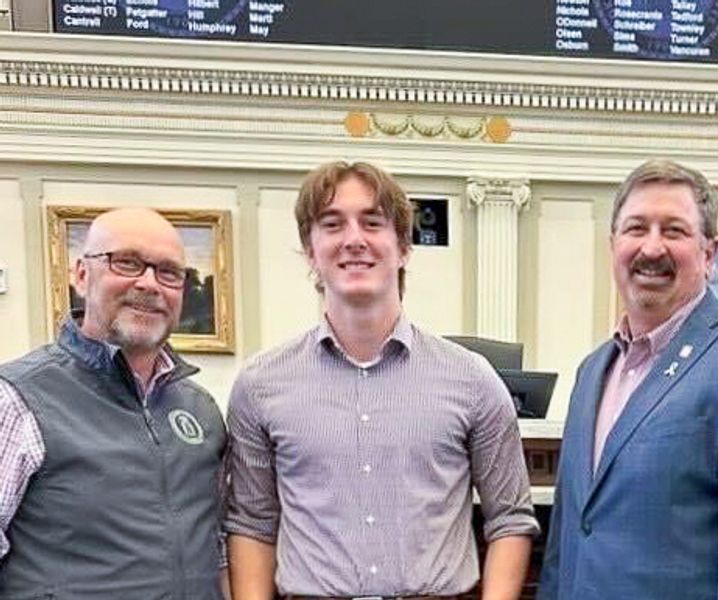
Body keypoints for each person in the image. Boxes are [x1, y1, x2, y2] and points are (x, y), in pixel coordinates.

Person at [224, 161, 538, 600]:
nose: (354, 239)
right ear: (310, 251)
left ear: (404, 246)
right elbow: (252, 524)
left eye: (372, 222)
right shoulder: (260, 384)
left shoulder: (472, 380)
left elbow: (509, 519)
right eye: (332, 224)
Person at [538, 160, 718, 599]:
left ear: (709, 254)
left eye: (674, 231)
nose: (652, 247)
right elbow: (566, 543)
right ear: (614, 245)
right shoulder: (591, 371)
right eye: (636, 228)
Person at [0, 208, 227, 599]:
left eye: (169, 272)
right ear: (82, 274)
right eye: (127, 262)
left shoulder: (200, 410)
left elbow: (218, 548)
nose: (149, 283)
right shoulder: (18, 398)